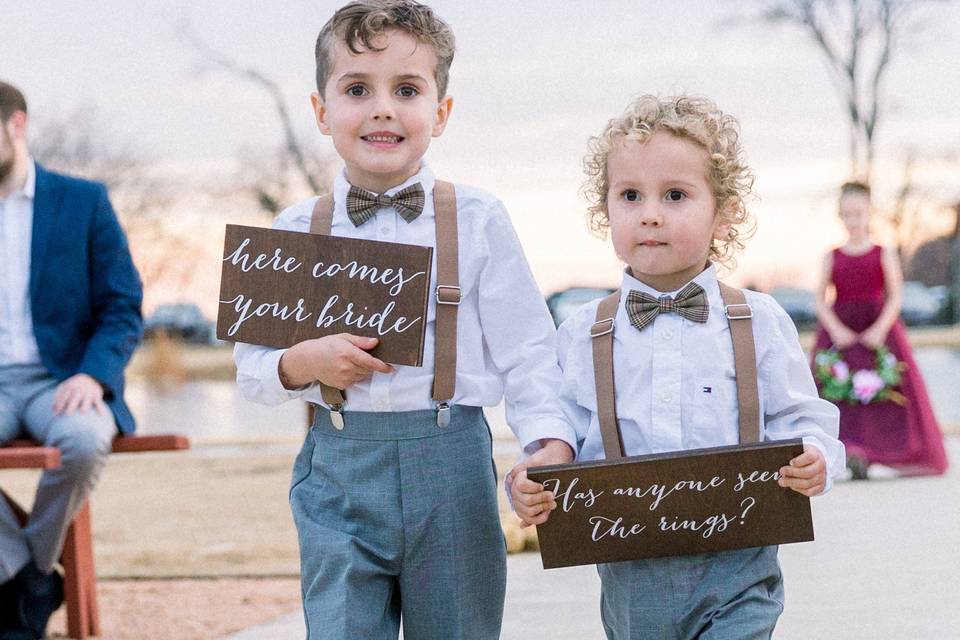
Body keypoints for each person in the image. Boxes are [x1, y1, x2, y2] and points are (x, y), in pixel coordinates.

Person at [232, 2, 576, 638]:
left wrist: (549, 443)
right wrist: (304, 362)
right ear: (321, 110)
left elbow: (530, 351)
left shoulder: (478, 219)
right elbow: (252, 373)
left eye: (408, 90)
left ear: (441, 113)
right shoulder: (292, 229)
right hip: (336, 467)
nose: (382, 108)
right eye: (357, 89)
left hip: (452, 466)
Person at [510, 95, 845, 639]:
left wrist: (814, 456)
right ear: (606, 210)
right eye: (630, 196)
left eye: (675, 195)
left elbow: (803, 415)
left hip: (737, 565)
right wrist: (538, 472)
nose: (650, 213)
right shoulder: (579, 333)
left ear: (724, 211)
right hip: (627, 566)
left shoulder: (758, 321)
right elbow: (555, 425)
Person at [0, 81, 143, 639]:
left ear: (17, 125)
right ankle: (26, 577)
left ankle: (31, 572)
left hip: (62, 379)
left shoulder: (83, 202)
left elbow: (123, 305)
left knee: (84, 442)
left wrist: (93, 372)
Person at [813, 181, 949, 479]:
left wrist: (880, 329)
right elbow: (820, 300)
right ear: (840, 215)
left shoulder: (882, 252)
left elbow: (895, 296)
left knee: (887, 394)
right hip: (842, 331)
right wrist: (835, 330)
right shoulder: (831, 256)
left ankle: (883, 453)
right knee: (840, 394)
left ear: (868, 213)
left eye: (858, 213)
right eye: (847, 214)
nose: (853, 220)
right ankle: (851, 454)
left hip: (878, 330)